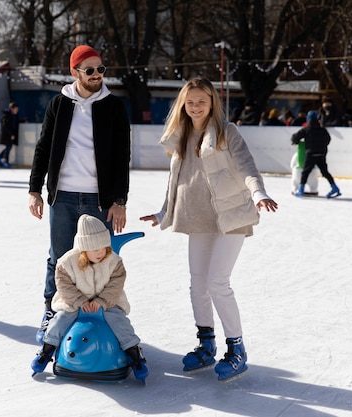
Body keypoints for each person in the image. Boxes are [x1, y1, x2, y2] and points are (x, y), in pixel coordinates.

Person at [139, 77, 278, 382]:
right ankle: (206, 343)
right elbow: (178, 180)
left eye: (202, 101)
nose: (196, 107)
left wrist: (258, 194)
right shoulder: (181, 136)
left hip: (230, 217)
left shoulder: (227, 132)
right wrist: (164, 212)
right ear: (183, 105)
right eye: (190, 102)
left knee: (217, 282)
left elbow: (247, 167)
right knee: (197, 284)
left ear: (213, 102)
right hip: (198, 217)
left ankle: (237, 349)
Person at [28, 44, 131, 344]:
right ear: (75, 72)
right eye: (90, 70)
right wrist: (35, 189)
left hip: (100, 200)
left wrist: (120, 200)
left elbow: (122, 156)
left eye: (101, 69)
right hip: (64, 197)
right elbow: (43, 148)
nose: (97, 74)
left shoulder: (113, 107)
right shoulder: (59, 105)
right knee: (58, 259)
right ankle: (52, 311)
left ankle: (101, 316)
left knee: (101, 260)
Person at [31, 214, 148, 381]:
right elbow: (64, 285)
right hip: (74, 303)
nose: (101, 252)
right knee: (59, 320)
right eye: (95, 249)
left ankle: (134, 355)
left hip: (107, 303)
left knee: (119, 322)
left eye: (104, 247)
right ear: (84, 249)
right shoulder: (66, 262)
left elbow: (116, 284)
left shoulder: (114, 261)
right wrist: (79, 301)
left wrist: (101, 301)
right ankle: (46, 351)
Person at [291, 110, 341, 198]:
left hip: (311, 153)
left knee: (305, 172)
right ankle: (335, 187)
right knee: (325, 172)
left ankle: (301, 190)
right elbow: (328, 139)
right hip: (321, 153)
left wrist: (296, 141)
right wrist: (321, 146)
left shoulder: (307, 129)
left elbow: (295, 137)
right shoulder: (322, 129)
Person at [0, 102, 19, 169]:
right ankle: (4, 161)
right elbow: (5, 125)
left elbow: (14, 122)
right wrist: (11, 134)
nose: (17, 111)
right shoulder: (6, 115)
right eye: (16, 109)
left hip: (10, 134)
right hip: (6, 134)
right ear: (11, 109)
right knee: (8, 147)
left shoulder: (13, 115)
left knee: (9, 147)